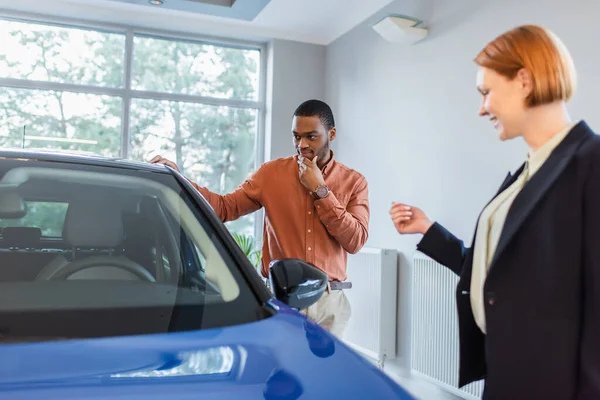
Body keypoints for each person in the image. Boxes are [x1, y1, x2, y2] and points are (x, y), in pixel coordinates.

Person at [390, 25, 600, 399]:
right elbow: (499, 275)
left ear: (524, 80)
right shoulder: (526, 174)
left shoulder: (591, 164)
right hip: (505, 377)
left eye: (486, 92)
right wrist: (428, 230)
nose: (482, 107)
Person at [151, 99, 370, 338]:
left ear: (332, 134)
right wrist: (180, 179)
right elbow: (225, 207)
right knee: (280, 371)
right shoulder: (271, 174)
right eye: (296, 137)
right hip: (282, 300)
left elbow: (355, 240)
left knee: (326, 375)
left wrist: (321, 191)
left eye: (311, 137)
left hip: (330, 304)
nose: (302, 145)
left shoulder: (354, 182)